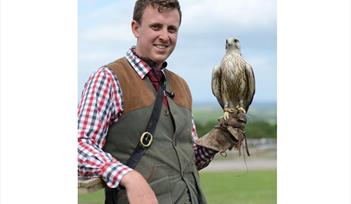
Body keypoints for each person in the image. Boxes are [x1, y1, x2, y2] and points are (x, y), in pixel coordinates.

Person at [78, 0, 246, 203]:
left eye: (172, 29)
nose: (165, 36)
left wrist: (219, 138)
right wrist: (128, 176)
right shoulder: (109, 78)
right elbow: (79, 145)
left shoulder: (181, 85)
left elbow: (187, 158)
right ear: (136, 28)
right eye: (156, 26)